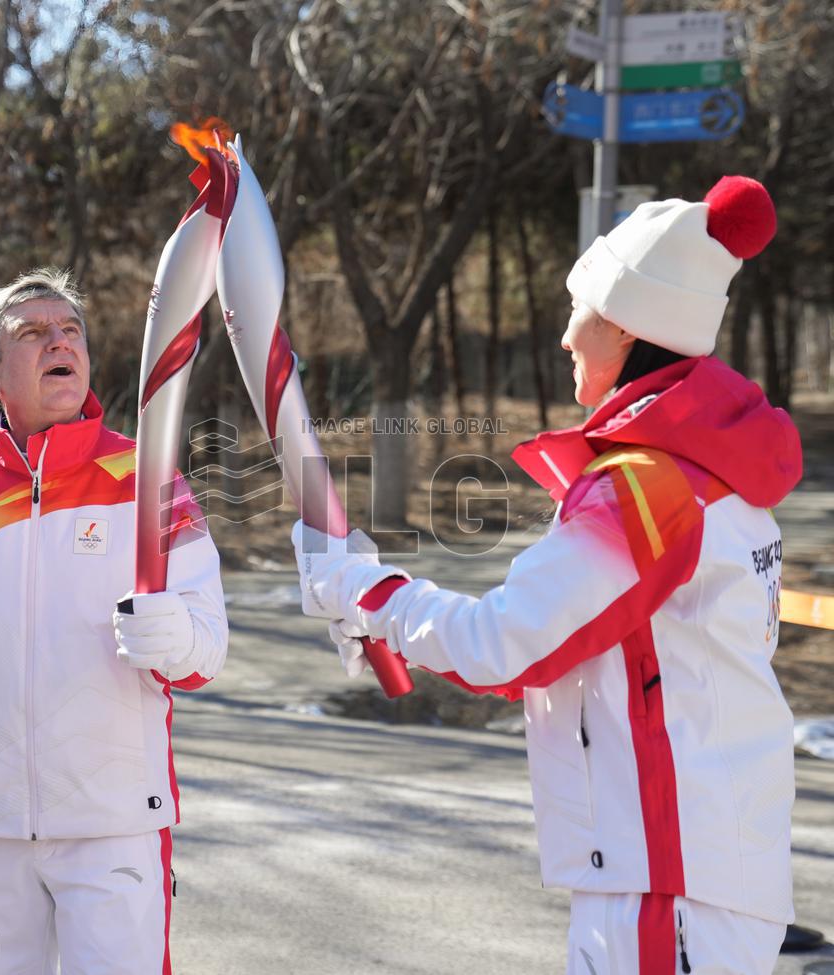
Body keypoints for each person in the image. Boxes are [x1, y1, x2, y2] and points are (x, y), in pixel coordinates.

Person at [293, 176, 802, 974]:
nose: (565, 336)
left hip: (666, 875)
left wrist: (365, 589)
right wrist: (390, 619)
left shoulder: (653, 484)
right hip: (695, 866)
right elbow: (556, 654)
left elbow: (507, 642)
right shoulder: (720, 475)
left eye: (580, 310)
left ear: (628, 326)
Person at [0, 268, 228, 974]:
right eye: (33, 332)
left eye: (71, 329)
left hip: (113, 824)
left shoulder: (146, 477)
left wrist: (176, 635)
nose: (60, 341)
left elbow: (209, 643)